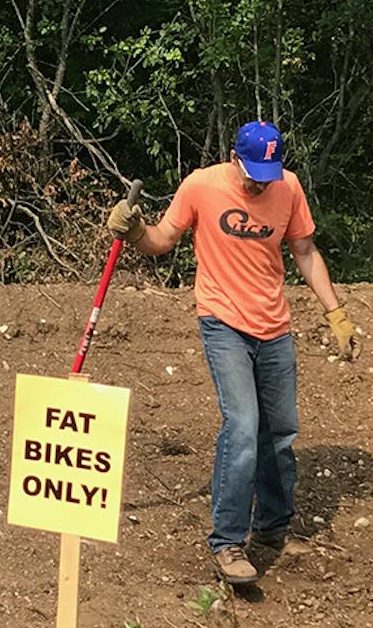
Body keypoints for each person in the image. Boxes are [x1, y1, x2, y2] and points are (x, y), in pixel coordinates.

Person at [110, 121, 357, 583]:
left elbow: (304, 250)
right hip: (222, 323)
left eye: (268, 173)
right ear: (232, 156)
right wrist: (135, 230)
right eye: (252, 173)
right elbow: (162, 241)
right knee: (243, 426)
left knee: (280, 431)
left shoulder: (288, 188)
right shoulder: (201, 186)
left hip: (275, 327)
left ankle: (272, 528)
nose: (260, 182)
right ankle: (227, 543)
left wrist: (335, 312)